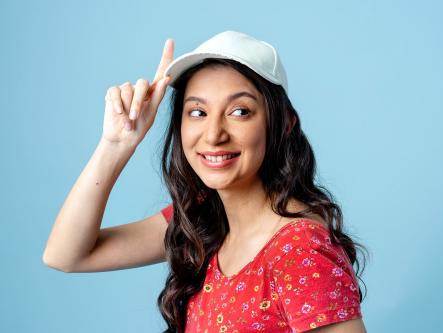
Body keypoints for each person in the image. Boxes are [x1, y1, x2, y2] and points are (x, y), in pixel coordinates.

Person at [43, 31, 368, 333]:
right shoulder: (203, 220)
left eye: (240, 111)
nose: (214, 134)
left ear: (282, 124)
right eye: (197, 112)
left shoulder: (299, 249)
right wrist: (116, 145)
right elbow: (66, 255)